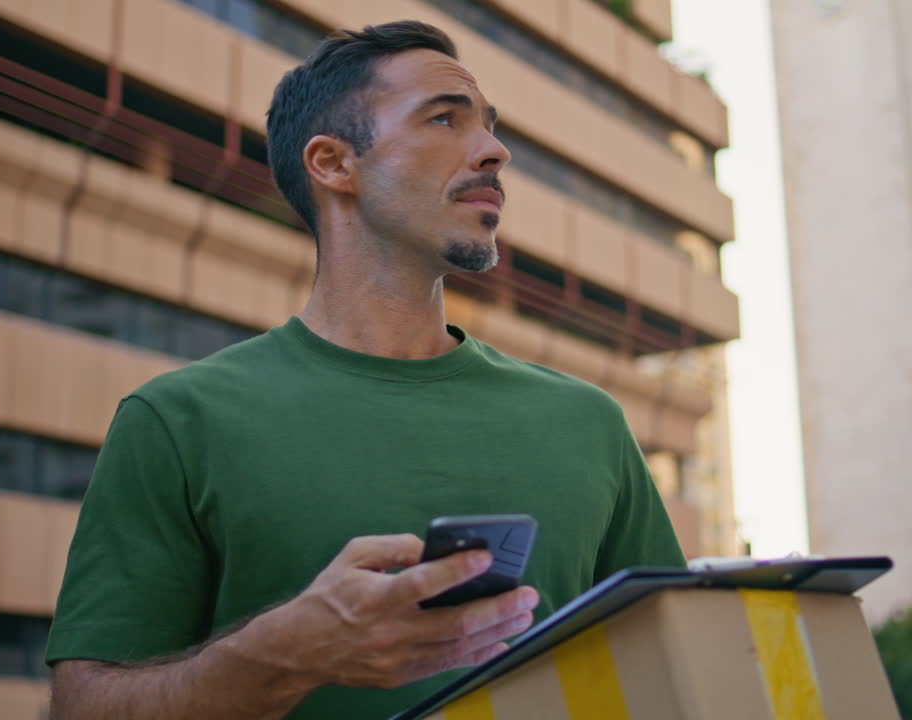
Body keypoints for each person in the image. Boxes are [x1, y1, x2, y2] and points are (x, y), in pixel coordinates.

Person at [46, 20, 684, 720]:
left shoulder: (588, 423)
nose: (495, 151)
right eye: (444, 118)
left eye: (490, 127)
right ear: (332, 165)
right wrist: (284, 656)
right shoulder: (175, 421)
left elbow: (682, 677)